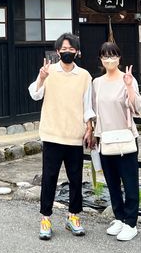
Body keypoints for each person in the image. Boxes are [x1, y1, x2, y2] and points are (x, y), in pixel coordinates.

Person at [29, 33, 95, 241]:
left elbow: (88, 106)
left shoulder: (84, 76)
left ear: (77, 51)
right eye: (63, 49)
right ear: (57, 52)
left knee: (76, 179)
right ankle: (45, 218)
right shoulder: (50, 72)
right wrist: (41, 77)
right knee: (49, 178)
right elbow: (34, 94)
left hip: (75, 135)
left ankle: (73, 216)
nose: (67, 52)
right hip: (52, 133)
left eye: (71, 49)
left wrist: (89, 127)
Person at [92, 41, 141, 242]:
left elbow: (137, 107)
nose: (109, 60)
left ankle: (131, 223)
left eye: (113, 56)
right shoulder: (97, 83)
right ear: (100, 59)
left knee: (130, 183)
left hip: (125, 138)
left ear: (119, 58)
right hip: (105, 138)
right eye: (105, 56)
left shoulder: (127, 79)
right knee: (112, 182)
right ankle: (120, 218)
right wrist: (92, 132)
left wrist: (130, 87)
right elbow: (94, 111)